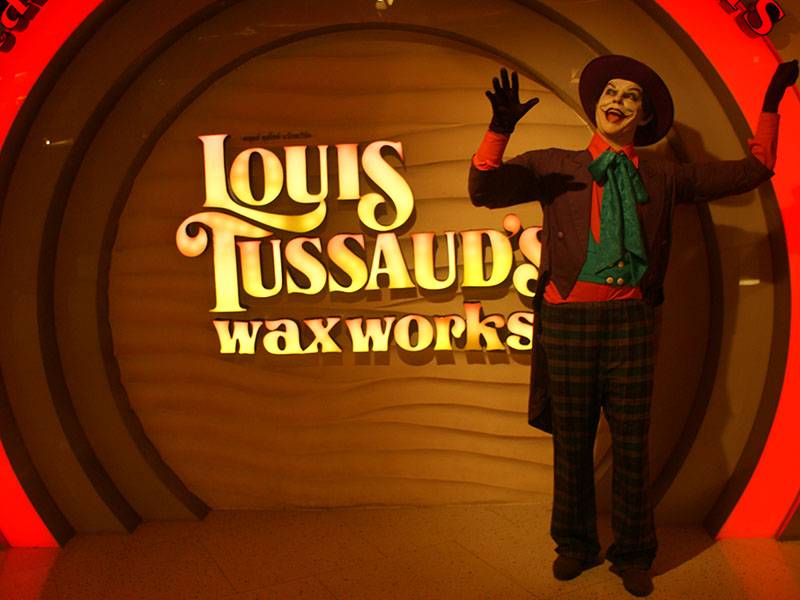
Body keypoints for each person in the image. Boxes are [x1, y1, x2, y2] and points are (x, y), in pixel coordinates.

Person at [468, 55, 798, 597]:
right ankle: (574, 544)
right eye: (611, 92)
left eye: (631, 96)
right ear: (597, 104)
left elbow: (753, 170)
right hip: (568, 320)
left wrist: (771, 102)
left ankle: (635, 552)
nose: (617, 100)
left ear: (642, 117)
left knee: (631, 443)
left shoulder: (664, 176)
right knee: (572, 441)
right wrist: (499, 130)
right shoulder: (555, 164)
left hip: (632, 322)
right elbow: (485, 191)